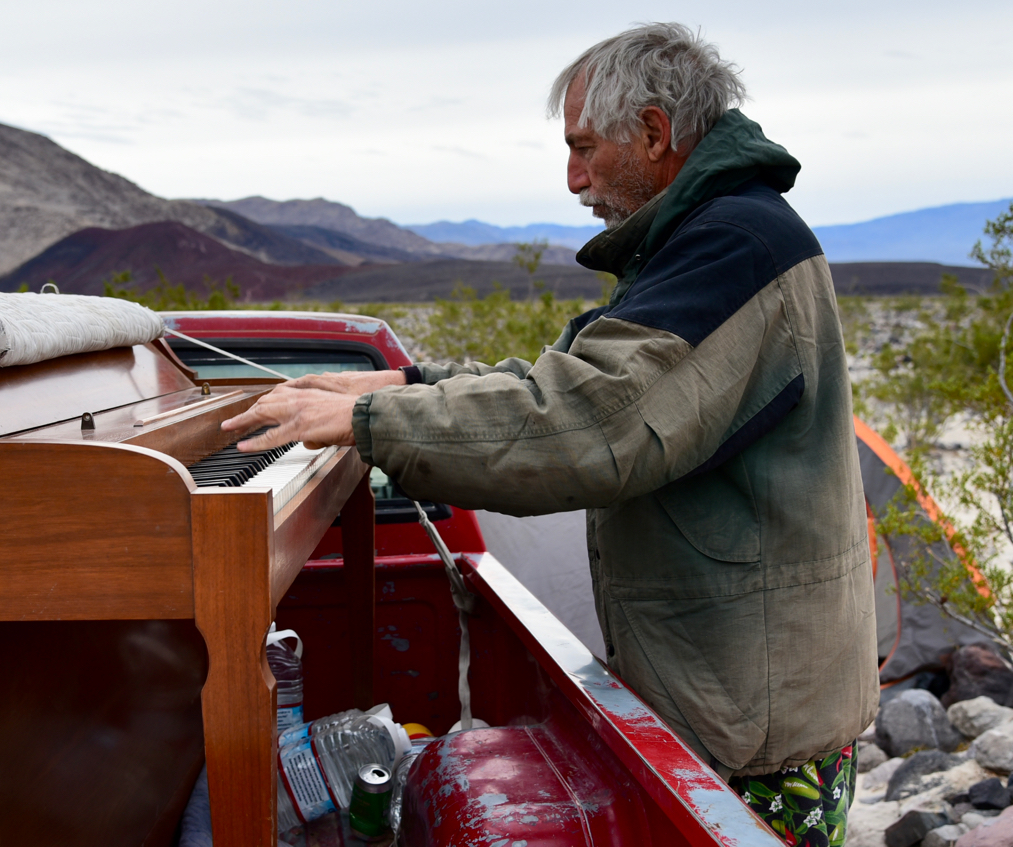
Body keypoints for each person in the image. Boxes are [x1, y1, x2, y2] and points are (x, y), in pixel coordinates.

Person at [224, 22, 877, 846]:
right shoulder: (702, 239)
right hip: (736, 698)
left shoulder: (734, 248)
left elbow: (589, 422)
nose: (573, 179)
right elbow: (562, 378)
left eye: (584, 148)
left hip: (759, 731)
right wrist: (399, 385)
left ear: (654, 133)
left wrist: (371, 422)